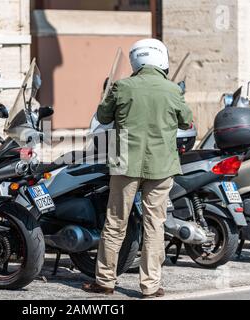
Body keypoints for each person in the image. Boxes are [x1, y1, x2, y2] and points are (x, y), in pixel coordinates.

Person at [81, 39, 193, 298]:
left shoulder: (122, 86)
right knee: (155, 225)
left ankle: (105, 281)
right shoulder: (172, 90)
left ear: (136, 60)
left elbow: (102, 117)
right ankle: (150, 286)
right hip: (161, 165)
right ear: (161, 59)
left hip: (124, 164)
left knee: (115, 222)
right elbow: (186, 122)